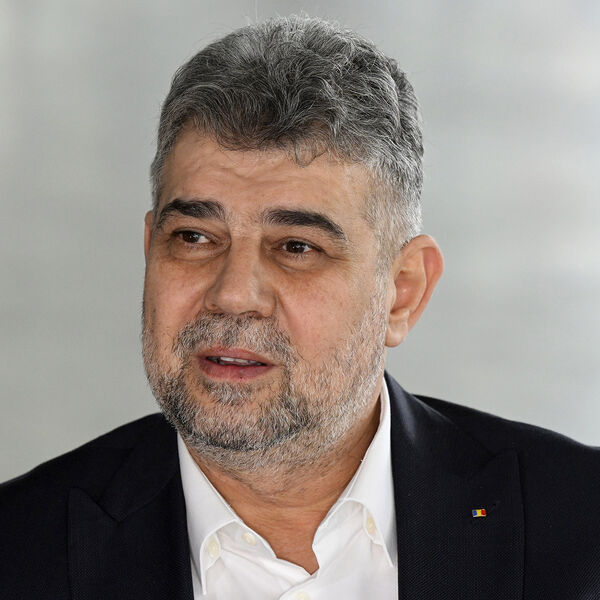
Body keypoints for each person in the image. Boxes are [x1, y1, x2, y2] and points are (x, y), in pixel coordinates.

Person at [1, 15, 599, 600]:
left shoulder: (582, 526)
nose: (233, 294)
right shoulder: (18, 550)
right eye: (194, 237)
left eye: (296, 247)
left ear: (403, 291)